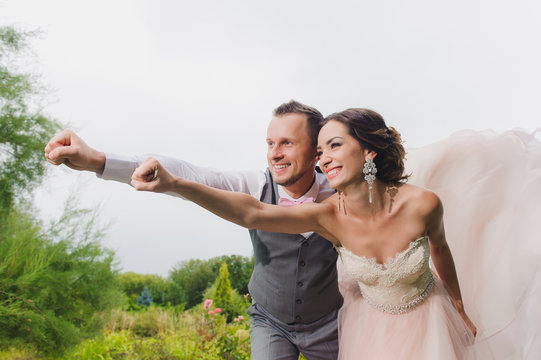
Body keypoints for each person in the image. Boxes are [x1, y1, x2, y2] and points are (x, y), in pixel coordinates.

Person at [129, 108, 481, 359]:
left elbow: (441, 250)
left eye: (335, 146)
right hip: (368, 329)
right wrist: (175, 183)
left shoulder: (423, 204)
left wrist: (460, 306)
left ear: (369, 150)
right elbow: (251, 212)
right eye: (320, 150)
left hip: (427, 319)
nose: (323, 159)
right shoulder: (327, 216)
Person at [44, 100, 342, 360]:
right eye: (269, 143)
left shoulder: (343, 194)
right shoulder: (257, 185)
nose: (274, 153)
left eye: (287, 143)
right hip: (271, 321)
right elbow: (191, 174)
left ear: (317, 153)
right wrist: (98, 159)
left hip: (329, 323)